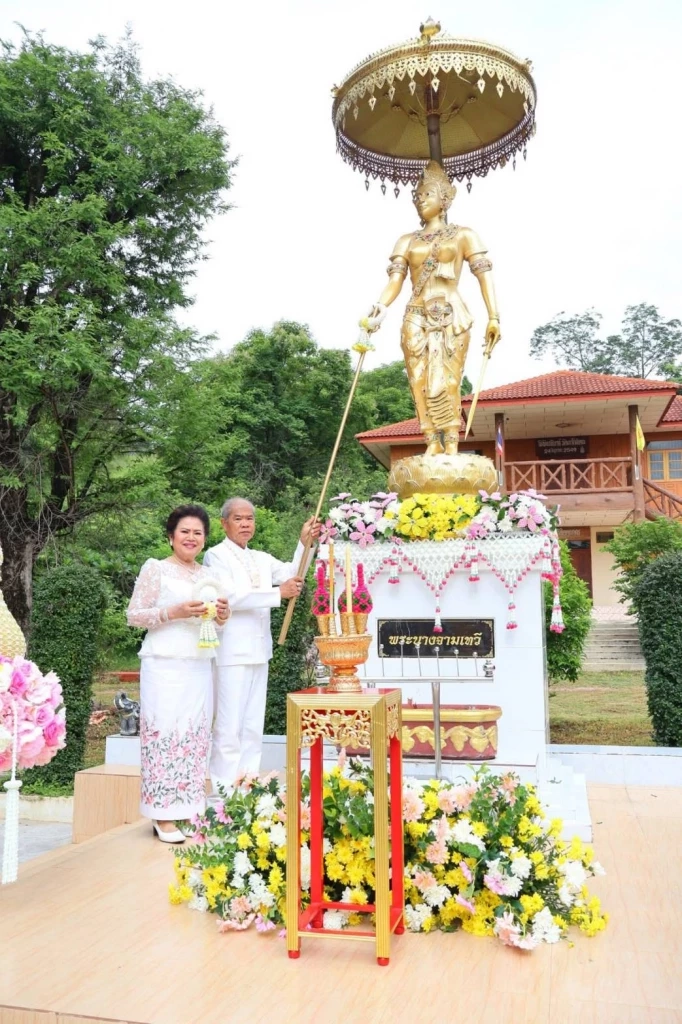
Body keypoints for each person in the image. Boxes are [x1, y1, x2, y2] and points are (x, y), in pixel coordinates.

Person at [367, 160, 501, 456]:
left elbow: (484, 273)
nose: (420, 200)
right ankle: (430, 438)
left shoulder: (464, 235)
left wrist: (494, 316)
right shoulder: (406, 240)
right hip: (415, 314)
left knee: (449, 379)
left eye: (427, 194)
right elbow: (395, 281)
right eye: (417, 196)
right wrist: (379, 307)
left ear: (445, 199)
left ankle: (451, 439)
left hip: (451, 313)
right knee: (418, 378)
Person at [127, 504, 230, 842]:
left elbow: (214, 621)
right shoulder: (155, 569)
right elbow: (135, 615)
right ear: (171, 536)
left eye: (197, 533)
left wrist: (221, 615)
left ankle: (187, 807)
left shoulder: (207, 576)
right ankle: (162, 814)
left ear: (204, 539)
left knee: (195, 733)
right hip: (164, 661)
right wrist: (173, 611)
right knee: (165, 733)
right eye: (184, 531)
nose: (191, 537)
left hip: (200, 663)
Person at [203, 498, 320, 791]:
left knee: (253, 725)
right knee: (229, 725)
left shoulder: (261, 558)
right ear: (224, 523)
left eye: (249, 519)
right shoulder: (215, 556)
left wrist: (304, 543)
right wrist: (276, 594)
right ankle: (223, 788)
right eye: (238, 518)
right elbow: (230, 596)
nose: (245, 524)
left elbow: (294, 573)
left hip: (259, 650)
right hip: (231, 651)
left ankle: (248, 783)